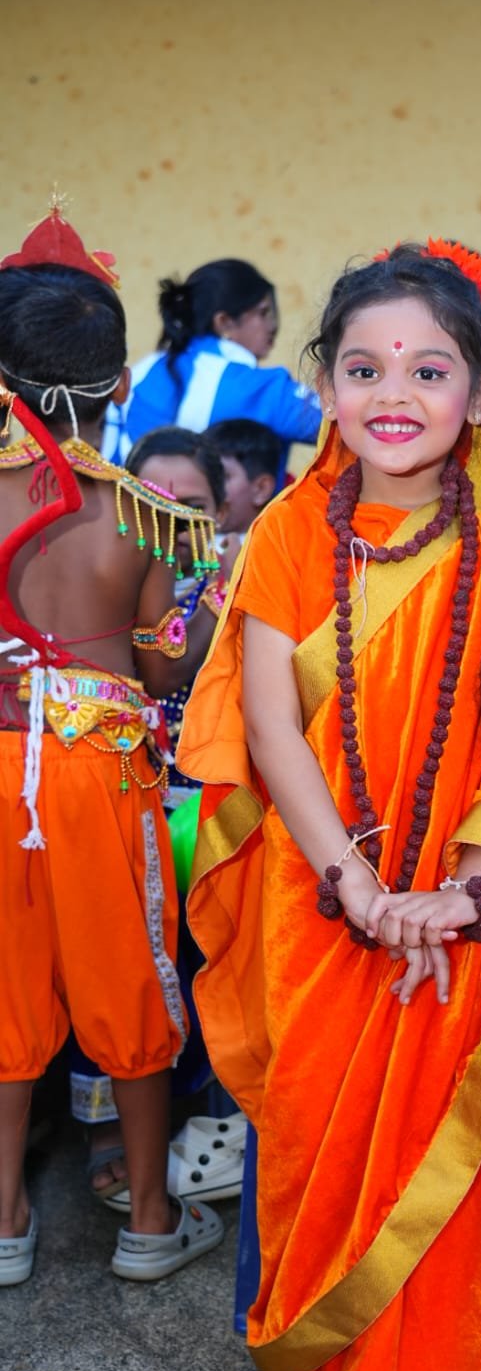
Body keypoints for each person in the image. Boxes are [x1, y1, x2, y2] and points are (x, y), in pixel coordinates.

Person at [178, 239, 481, 1371]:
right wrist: (358, 884)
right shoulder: (294, 528)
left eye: (429, 369)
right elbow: (271, 728)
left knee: (459, 1174)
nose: (395, 392)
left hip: (467, 901)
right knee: (316, 1151)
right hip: (322, 893)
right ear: (325, 387)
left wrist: (462, 885)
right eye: (364, 367)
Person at [0, 208, 224, 1283]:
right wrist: (205, 612)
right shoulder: (144, 515)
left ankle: (4, 1224)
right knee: (134, 982)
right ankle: (148, 1221)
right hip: (99, 769)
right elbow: (163, 671)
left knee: (3, 990)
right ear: (121, 385)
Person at [103, 259, 320, 470]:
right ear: (224, 322)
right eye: (263, 313)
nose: (272, 325)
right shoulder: (253, 387)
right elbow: (333, 421)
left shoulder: (141, 370)